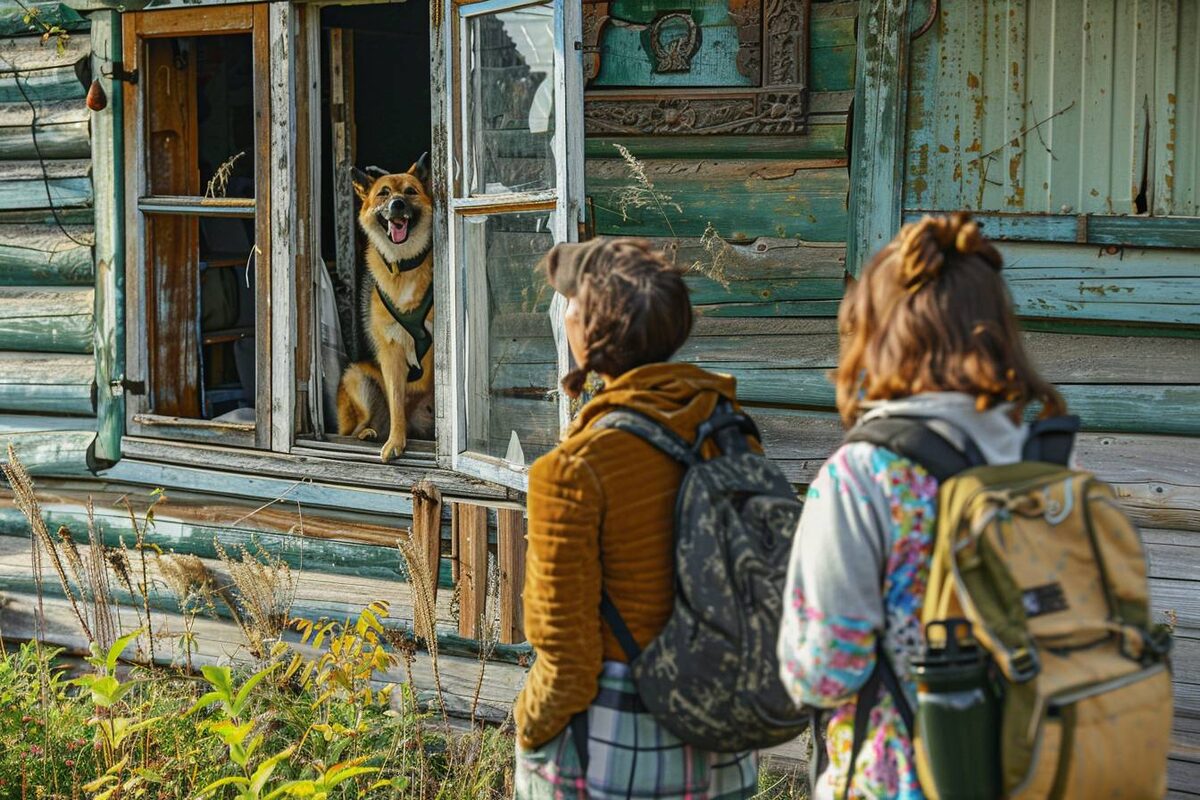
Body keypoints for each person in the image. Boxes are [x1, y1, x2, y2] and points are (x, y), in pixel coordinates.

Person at [776, 213, 1067, 799]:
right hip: (1037, 768)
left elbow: (826, 669)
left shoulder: (864, 477)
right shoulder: (1052, 471)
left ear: (881, 333)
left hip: (906, 776)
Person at [513, 237, 758, 800]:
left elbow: (567, 661)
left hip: (613, 744)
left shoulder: (574, 468)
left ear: (588, 328)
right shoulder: (727, 427)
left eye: (569, 301)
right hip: (724, 736)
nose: (563, 311)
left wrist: (529, 733)